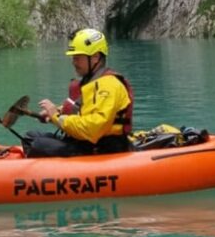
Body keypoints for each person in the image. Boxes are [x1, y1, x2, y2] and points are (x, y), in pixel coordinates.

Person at [24, 28, 134, 157]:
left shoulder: (109, 85)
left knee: (38, 145)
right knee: (30, 137)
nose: (73, 62)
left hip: (101, 148)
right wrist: (55, 112)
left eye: (78, 58)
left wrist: (56, 117)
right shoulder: (92, 81)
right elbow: (81, 109)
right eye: (73, 57)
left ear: (95, 57)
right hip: (83, 143)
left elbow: (93, 130)